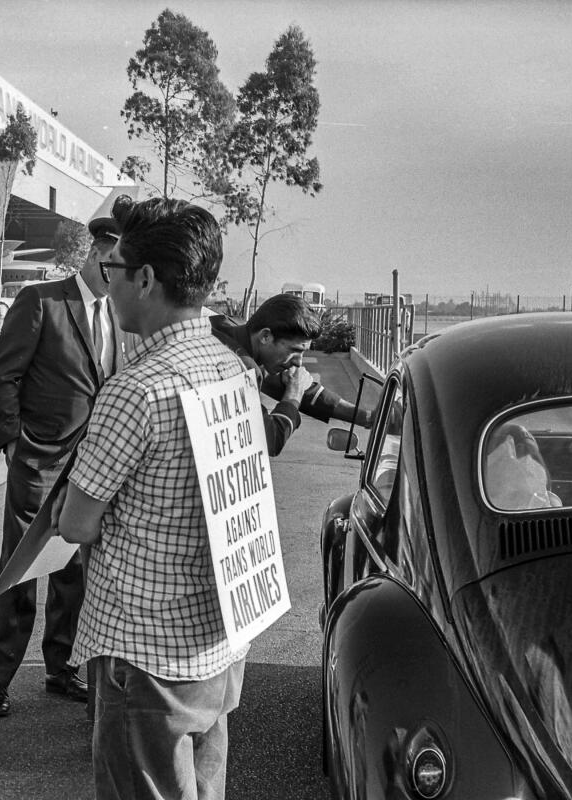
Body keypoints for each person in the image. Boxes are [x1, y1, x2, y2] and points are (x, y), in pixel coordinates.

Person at [56, 197, 249, 800]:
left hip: (144, 656)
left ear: (144, 279)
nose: (107, 285)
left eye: (113, 272)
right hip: (219, 642)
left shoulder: (136, 390)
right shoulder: (232, 371)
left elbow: (76, 524)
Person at [0, 196, 130, 717]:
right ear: (95, 254)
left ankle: (61, 668)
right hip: (38, 459)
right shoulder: (42, 301)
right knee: (20, 569)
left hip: (91, 464)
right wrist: (12, 443)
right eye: (112, 265)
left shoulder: (118, 314)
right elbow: (3, 375)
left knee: (74, 572)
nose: (117, 276)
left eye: (125, 270)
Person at [209, 294, 372, 457]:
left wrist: (367, 418)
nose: (299, 362)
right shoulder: (240, 366)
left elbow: (300, 386)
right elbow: (268, 440)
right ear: (265, 336)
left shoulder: (231, 328)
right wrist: (294, 393)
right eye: (295, 351)